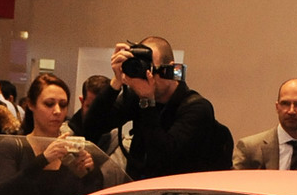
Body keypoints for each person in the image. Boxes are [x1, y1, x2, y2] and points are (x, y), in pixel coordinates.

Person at [82, 36, 228, 179]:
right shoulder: (136, 97)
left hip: (179, 190)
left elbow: (163, 159)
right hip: (138, 188)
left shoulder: (197, 108)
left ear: (168, 70)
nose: (145, 76)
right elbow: (91, 127)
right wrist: (116, 82)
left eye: (150, 68)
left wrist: (147, 102)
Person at [0, 72, 102, 195]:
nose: (57, 111)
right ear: (31, 104)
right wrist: (43, 159)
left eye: (63, 105)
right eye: (49, 104)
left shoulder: (74, 149)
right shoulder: (12, 146)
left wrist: (90, 173)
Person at [233, 79, 297, 170]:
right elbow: (235, 179)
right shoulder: (250, 149)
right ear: (277, 107)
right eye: (285, 103)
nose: (291, 111)